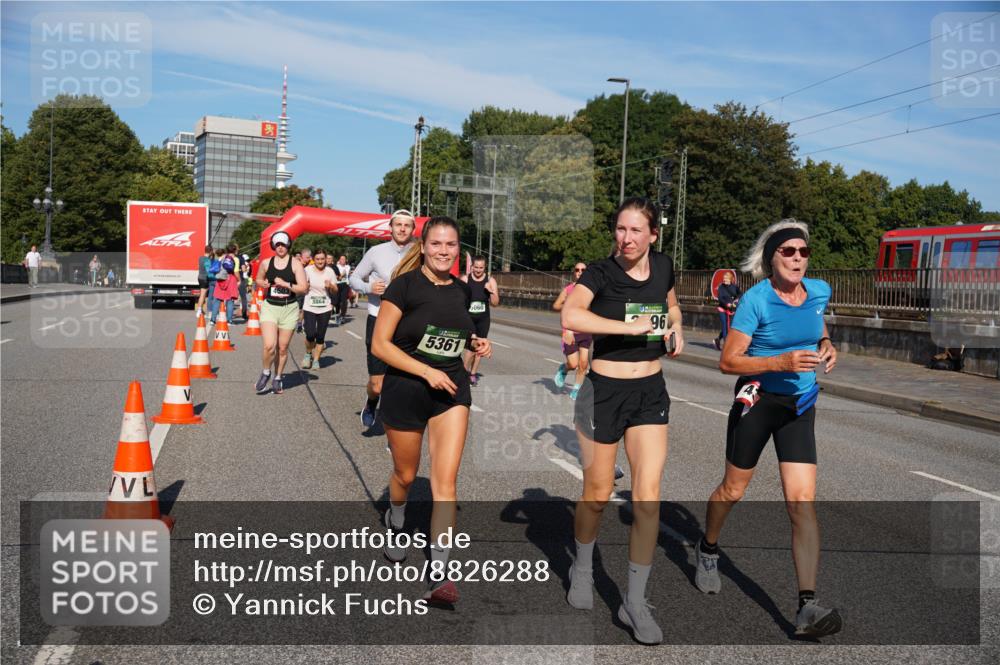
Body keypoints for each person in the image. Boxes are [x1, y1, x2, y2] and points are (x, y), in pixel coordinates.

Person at [694, 219, 841, 639]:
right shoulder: (755, 301)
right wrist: (781, 362)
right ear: (772, 257)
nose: (797, 258)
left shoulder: (819, 292)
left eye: (803, 252)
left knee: (801, 502)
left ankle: (807, 605)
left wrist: (827, 347)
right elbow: (728, 361)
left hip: (800, 405)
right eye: (788, 251)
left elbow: (819, 329)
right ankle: (708, 548)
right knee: (733, 490)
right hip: (757, 401)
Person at [560, 197, 684, 645]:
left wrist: (676, 332)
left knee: (648, 495)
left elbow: (671, 307)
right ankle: (582, 563)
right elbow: (571, 315)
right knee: (596, 493)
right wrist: (628, 328)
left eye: (636, 231)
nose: (626, 238)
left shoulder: (666, 266)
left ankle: (634, 601)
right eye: (620, 229)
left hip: (650, 392)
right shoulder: (599, 272)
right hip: (602, 393)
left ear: (653, 234)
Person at [372, 216, 492, 606]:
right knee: (405, 475)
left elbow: (457, 332)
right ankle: (397, 520)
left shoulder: (462, 291)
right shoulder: (403, 287)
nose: (444, 251)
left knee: (446, 483)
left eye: (451, 245)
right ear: (423, 247)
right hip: (407, 388)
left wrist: (475, 344)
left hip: (451, 392)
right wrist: (426, 371)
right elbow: (380, 345)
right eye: (437, 244)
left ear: (459, 250)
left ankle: (439, 573)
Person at [350, 210, 417, 429]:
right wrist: (368, 287)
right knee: (378, 385)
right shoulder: (375, 252)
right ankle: (371, 402)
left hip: (406, 323)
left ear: (413, 230)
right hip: (378, 319)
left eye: (407, 225)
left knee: (402, 382)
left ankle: (395, 431)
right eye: (398, 224)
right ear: (390, 227)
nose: (402, 229)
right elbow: (353, 278)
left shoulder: (419, 254)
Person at [254, 231, 308, 395]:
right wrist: (262, 283)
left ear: (288, 245)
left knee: (283, 348)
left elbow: (303, 288)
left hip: (289, 308)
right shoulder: (265, 263)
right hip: (270, 307)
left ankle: (277, 378)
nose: (280, 247)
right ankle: (265, 372)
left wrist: (285, 284)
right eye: (277, 244)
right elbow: (258, 279)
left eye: (283, 244)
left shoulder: (295, 264)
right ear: (273, 246)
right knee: (269, 345)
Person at [552, 262, 592, 399]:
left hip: (586, 330)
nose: (580, 272)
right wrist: (568, 303)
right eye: (577, 270)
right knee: (573, 364)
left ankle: (576, 389)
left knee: (583, 364)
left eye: (583, 270)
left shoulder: (592, 290)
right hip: (570, 331)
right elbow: (556, 305)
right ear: (574, 273)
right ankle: (564, 369)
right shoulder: (568, 289)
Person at [460, 256, 499, 387]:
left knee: (480, 348)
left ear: (485, 268)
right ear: (472, 267)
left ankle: (473, 374)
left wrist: (491, 291)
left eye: (481, 268)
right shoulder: (465, 279)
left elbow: (495, 303)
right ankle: (464, 372)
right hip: (468, 318)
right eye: (476, 267)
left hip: (483, 319)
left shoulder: (490, 281)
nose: (478, 270)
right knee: (471, 347)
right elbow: (458, 300)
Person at [300, 250, 338, 370]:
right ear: (313, 259)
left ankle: (316, 360)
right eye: (318, 259)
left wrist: (331, 286)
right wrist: (305, 285)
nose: (320, 261)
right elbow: (301, 287)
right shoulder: (307, 270)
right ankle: (308, 353)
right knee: (310, 334)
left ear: (326, 259)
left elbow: (336, 290)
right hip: (310, 306)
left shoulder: (330, 272)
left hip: (325, 307)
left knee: (320, 336)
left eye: (322, 259)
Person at [714, 271, 741, 351]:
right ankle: (727, 346)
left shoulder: (734, 287)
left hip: (731, 309)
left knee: (730, 327)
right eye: (724, 278)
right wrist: (726, 304)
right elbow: (720, 298)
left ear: (730, 279)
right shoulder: (721, 287)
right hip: (722, 308)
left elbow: (740, 294)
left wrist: (736, 300)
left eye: (726, 278)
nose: (724, 280)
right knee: (725, 326)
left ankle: (718, 339)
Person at [211, 253, 238, 325]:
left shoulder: (222, 258)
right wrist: (239, 280)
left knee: (217, 300)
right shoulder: (234, 259)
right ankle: (229, 320)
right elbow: (235, 271)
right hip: (230, 279)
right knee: (230, 301)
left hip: (220, 279)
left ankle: (213, 320)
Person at [295, 247, 313, 333]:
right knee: (298, 308)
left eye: (310, 257)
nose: (309, 259)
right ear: (302, 256)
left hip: (306, 290)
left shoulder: (309, 265)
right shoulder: (297, 264)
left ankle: (300, 324)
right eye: (308, 257)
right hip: (297, 289)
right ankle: (297, 323)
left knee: (304, 308)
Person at [231, 243, 248, 322]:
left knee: (230, 298)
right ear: (238, 249)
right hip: (240, 278)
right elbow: (244, 269)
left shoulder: (228, 257)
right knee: (243, 297)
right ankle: (244, 314)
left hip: (230, 278)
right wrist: (246, 267)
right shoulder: (241, 257)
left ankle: (229, 315)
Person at [196, 245, 214, 318]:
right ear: (210, 252)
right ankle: (199, 310)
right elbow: (209, 270)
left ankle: (201, 310)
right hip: (205, 278)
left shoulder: (200, 258)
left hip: (200, 277)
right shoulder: (208, 260)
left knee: (202, 294)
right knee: (203, 295)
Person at [333, 255, 351, 325]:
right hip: (337, 284)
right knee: (337, 301)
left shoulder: (348, 267)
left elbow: (347, 275)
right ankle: (337, 314)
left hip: (345, 284)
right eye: (341, 259)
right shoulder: (336, 266)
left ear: (346, 260)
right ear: (339, 260)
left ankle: (343, 316)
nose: (342, 260)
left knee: (344, 301)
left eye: (344, 259)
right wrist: (341, 275)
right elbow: (338, 276)